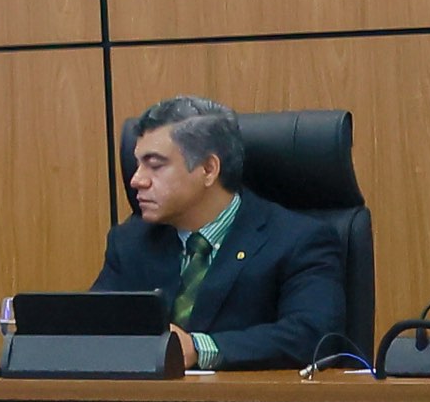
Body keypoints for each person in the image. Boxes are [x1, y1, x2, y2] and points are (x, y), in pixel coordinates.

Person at [91, 97, 348, 371]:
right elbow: (93, 326)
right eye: (138, 164)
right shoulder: (131, 241)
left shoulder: (299, 240)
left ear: (208, 169)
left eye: (154, 165)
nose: (136, 180)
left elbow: (313, 335)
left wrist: (197, 348)